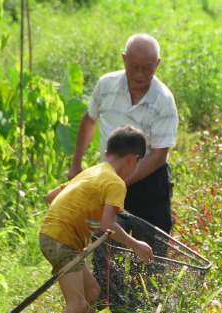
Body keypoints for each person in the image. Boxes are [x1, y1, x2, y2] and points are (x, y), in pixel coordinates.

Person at [40, 125, 154, 313]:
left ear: (109, 152)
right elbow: (107, 225)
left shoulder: (93, 171)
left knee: (92, 292)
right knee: (78, 303)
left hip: (54, 236)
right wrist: (135, 244)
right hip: (61, 241)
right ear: (133, 159)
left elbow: (51, 196)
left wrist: (81, 217)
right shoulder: (116, 183)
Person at [68, 33, 178, 234]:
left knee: (151, 243)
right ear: (124, 59)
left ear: (158, 64)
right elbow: (90, 120)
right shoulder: (106, 85)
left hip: (149, 178)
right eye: (134, 66)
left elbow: (159, 155)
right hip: (109, 173)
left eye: (147, 68)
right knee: (105, 243)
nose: (139, 74)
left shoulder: (164, 100)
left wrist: (119, 182)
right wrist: (76, 163)